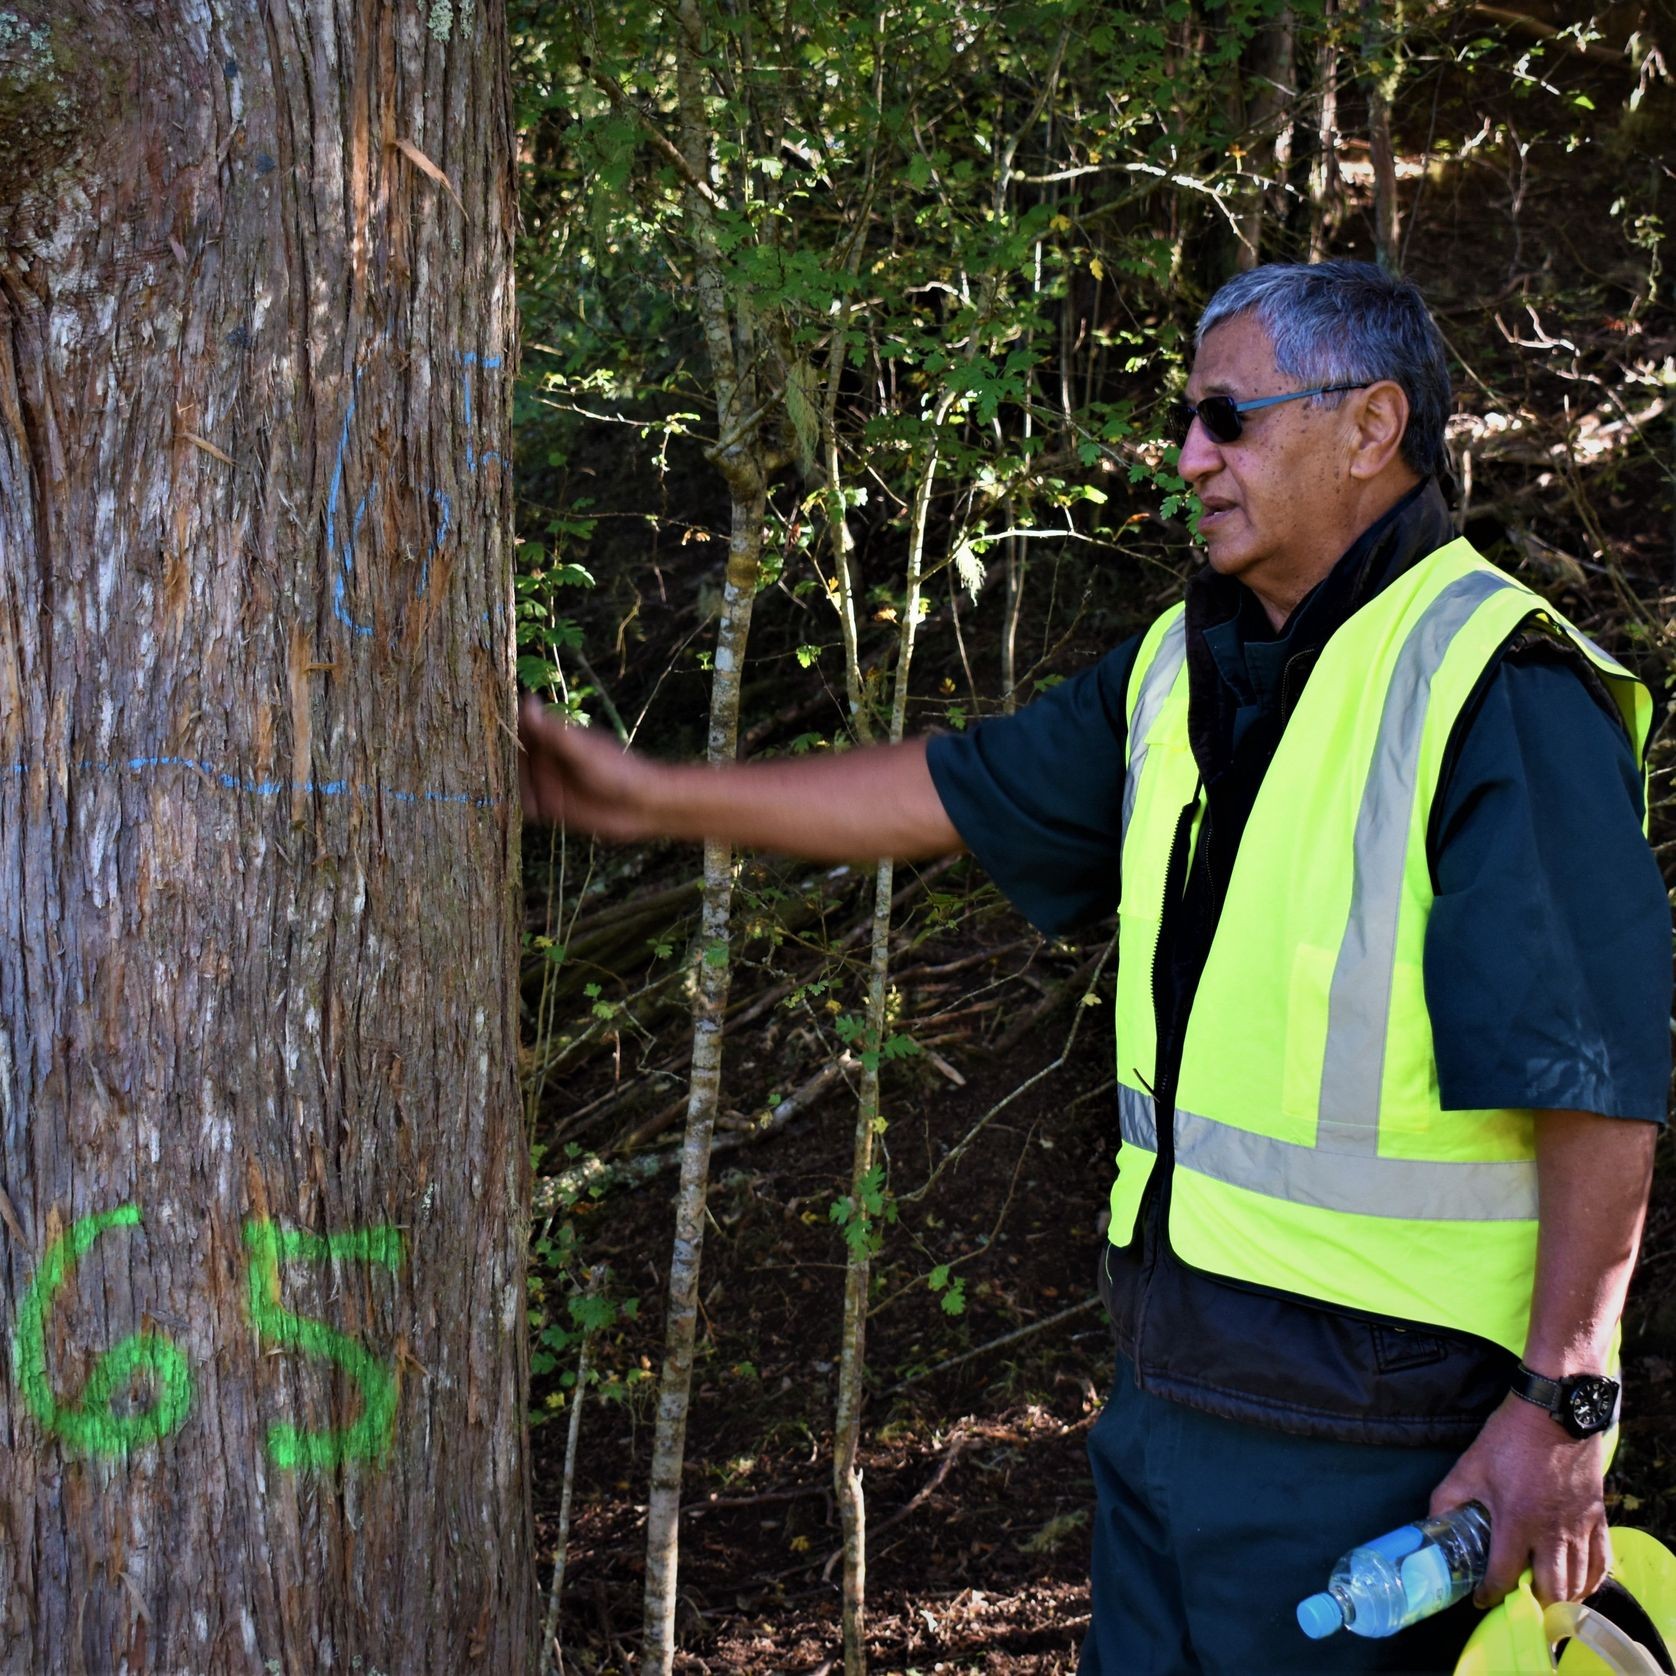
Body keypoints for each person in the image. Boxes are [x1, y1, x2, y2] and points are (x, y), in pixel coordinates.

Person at [518, 260, 1670, 1674]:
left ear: (1371, 429)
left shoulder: (1498, 687)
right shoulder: (1184, 669)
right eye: (1190, 419)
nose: (1190, 456)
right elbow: (950, 791)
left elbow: (1598, 1078)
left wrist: (1564, 1410)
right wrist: (648, 799)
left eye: (1229, 420)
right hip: (1166, 1411)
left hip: (1385, 1445)